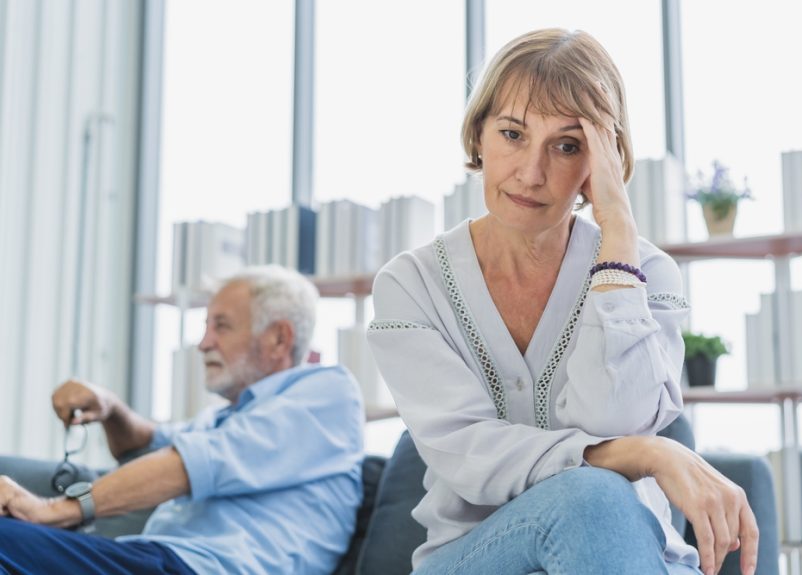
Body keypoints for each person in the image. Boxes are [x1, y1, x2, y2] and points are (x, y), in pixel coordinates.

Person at [366, 28, 757, 575]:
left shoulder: (650, 273)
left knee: (595, 500)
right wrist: (641, 453)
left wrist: (617, 240)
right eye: (512, 134)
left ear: (603, 162)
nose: (532, 172)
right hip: (475, 558)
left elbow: (614, 417)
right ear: (479, 134)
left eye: (568, 145)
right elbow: (469, 457)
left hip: (632, 556)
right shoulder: (410, 285)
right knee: (592, 496)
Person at [0, 266, 365, 575]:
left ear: (278, 337)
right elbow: (145, 448)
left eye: (221, 326)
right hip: (156, 558)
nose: (203, 343)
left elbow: (190, 464)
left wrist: (51, 510)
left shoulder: (327, 393)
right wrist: (111, 408)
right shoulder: (225, 418)